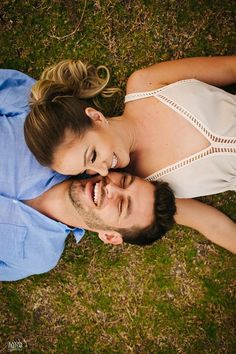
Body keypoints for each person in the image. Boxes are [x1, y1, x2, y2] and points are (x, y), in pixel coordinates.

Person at [24, 56, 236, 249]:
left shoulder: (146, 83)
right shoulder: (144, 191)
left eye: (93, 156)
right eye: (86, 170)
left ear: (96, 117)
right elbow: (210, 223)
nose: (102, 171)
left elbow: (230, 68)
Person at [0, 68, 176, 281]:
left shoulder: (37, 258)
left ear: (109, 237)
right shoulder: (48, 132)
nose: (110, 188)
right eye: (124, 180)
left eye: (121, 205)